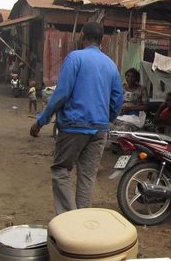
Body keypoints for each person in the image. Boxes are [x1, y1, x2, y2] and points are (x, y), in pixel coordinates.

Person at [30, 22, 123, 215]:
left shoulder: (75, 58)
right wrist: (106, 119)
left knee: (61, 170)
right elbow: (117, 100)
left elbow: (61, 94)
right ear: (101, 40)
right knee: (87, 177)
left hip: (74, 126)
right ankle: (81, 223)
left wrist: (41, 120)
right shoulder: (110, 65)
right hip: (99, 129)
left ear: (83, 36)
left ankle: (69, 220)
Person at [111, 68, 149, 132]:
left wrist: (130, 108)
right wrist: (120, 109)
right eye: (128, 76)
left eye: (133, 77)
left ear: (136, 78)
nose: (130, 78)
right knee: (109, 124)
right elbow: (116, 101)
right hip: (121, 113)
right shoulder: (122, 87)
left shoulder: (142, 89)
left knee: (124, 127)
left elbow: (146, 106)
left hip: (135, 115)